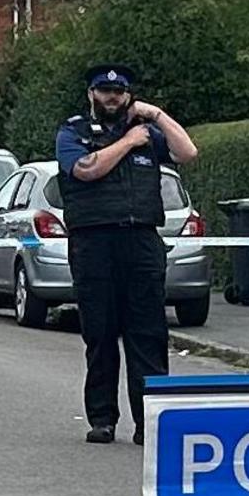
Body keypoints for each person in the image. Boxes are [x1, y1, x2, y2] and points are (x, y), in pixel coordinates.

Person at [54, 65, 198, 443]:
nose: (112, 97)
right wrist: (128, 143)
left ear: (129, 95)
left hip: (141, 241)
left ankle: (149, 421)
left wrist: (156, 116)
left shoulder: (149, 133)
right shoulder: (73, 132)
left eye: (119, 91)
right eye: (104, 90)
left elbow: (187, 151)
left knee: (147, 335)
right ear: (91, 95)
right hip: (94, 242)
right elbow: (86, 170)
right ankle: (102, 419)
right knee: (100, 334)